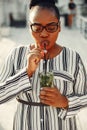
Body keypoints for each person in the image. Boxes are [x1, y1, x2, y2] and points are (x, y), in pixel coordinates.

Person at [0, 0, 87, 130]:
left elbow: (84, 97)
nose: (44, 34)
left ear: (59, 26)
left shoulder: (73, 58)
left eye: (51, 27)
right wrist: (27, 72)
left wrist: (64, 101)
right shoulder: (16, 54)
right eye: (37, 27)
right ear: (29, 27)